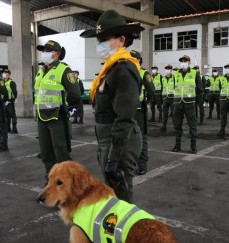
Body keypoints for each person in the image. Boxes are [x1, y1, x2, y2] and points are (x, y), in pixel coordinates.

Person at [80, 9, 144, 202]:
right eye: (98, 40)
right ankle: (116, 229)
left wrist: (115, 156)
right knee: (112, 193)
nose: (100, 44)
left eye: (105, 39)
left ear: (121, 40)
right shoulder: (110, 69)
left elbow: (124, 117)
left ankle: (125, 231)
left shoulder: (124, 68)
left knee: (121, 196)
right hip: (108, 139)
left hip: (120, 141)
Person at [34, 40, 81, 183]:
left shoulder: (64, 71)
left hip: (57, 118)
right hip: (42, 118)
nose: (45, 54)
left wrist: (68, 109)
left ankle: (67, 186)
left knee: (61, 154)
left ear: (58, 54)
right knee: (46, 154)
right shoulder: (41, 72)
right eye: (44, 51)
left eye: (48, 51)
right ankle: (51, 183)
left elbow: (75, 95)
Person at [130, 50, 155, 176]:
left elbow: (152, 90)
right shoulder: (125, 72)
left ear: (139, 60)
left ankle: (142, 164)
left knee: (141, 138)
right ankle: (130, 164)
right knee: (127, 138)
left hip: (139, 111)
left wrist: (147, 102)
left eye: (134, 58)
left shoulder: (144, 73)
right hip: (126, 112)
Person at [172, 56, 203, 153]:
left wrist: (192, 98)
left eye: (185, 61)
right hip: (178, 103)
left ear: (189, 63)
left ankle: (193, 147)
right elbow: (175, 86)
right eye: (181, 61)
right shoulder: (176, 74)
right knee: (177, 125)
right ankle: (177, 145)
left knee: (192, 125)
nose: (183, 63)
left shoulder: (194, 73)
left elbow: (200, 88)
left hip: (189, 104)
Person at [2, 69, 18, 134]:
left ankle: (14, 129)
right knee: (6, 116)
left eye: (6, 73)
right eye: (4, 72)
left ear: (9, 74)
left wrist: (14, 99)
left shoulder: (11, 82)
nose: (4, 74)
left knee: (12, 115)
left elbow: (15, 92)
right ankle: (8, 128)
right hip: (4, 102)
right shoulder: (2, 82)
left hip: (10, 101)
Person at [160, 64, 175, 131]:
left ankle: (175, 127)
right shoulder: (163, 78)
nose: (167, 70)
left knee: (174, 114)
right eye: (166, 69)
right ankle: (164, 126)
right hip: (165, 98)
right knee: (165, 114)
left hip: (172, 98)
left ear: (171, 70)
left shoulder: (174, 78)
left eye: (168, 69)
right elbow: (162, 88)